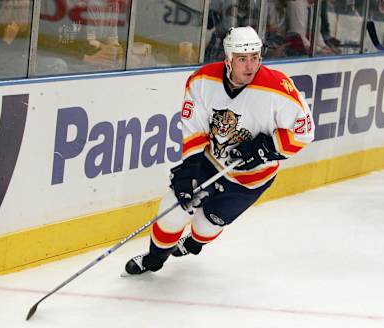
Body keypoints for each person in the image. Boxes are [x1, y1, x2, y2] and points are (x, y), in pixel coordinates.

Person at [123, 26, 315, 275]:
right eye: (242, 59)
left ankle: (193, 244)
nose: (250, 66)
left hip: (250, 179)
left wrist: (265, 148)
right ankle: (155, 259)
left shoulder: (278, 89)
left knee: (205, 225)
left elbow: (304, 132)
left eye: (255, 58)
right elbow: (194, 130)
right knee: (172, 210)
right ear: (228, 58)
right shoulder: (203, 80)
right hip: (210, 162)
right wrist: (189, 168)